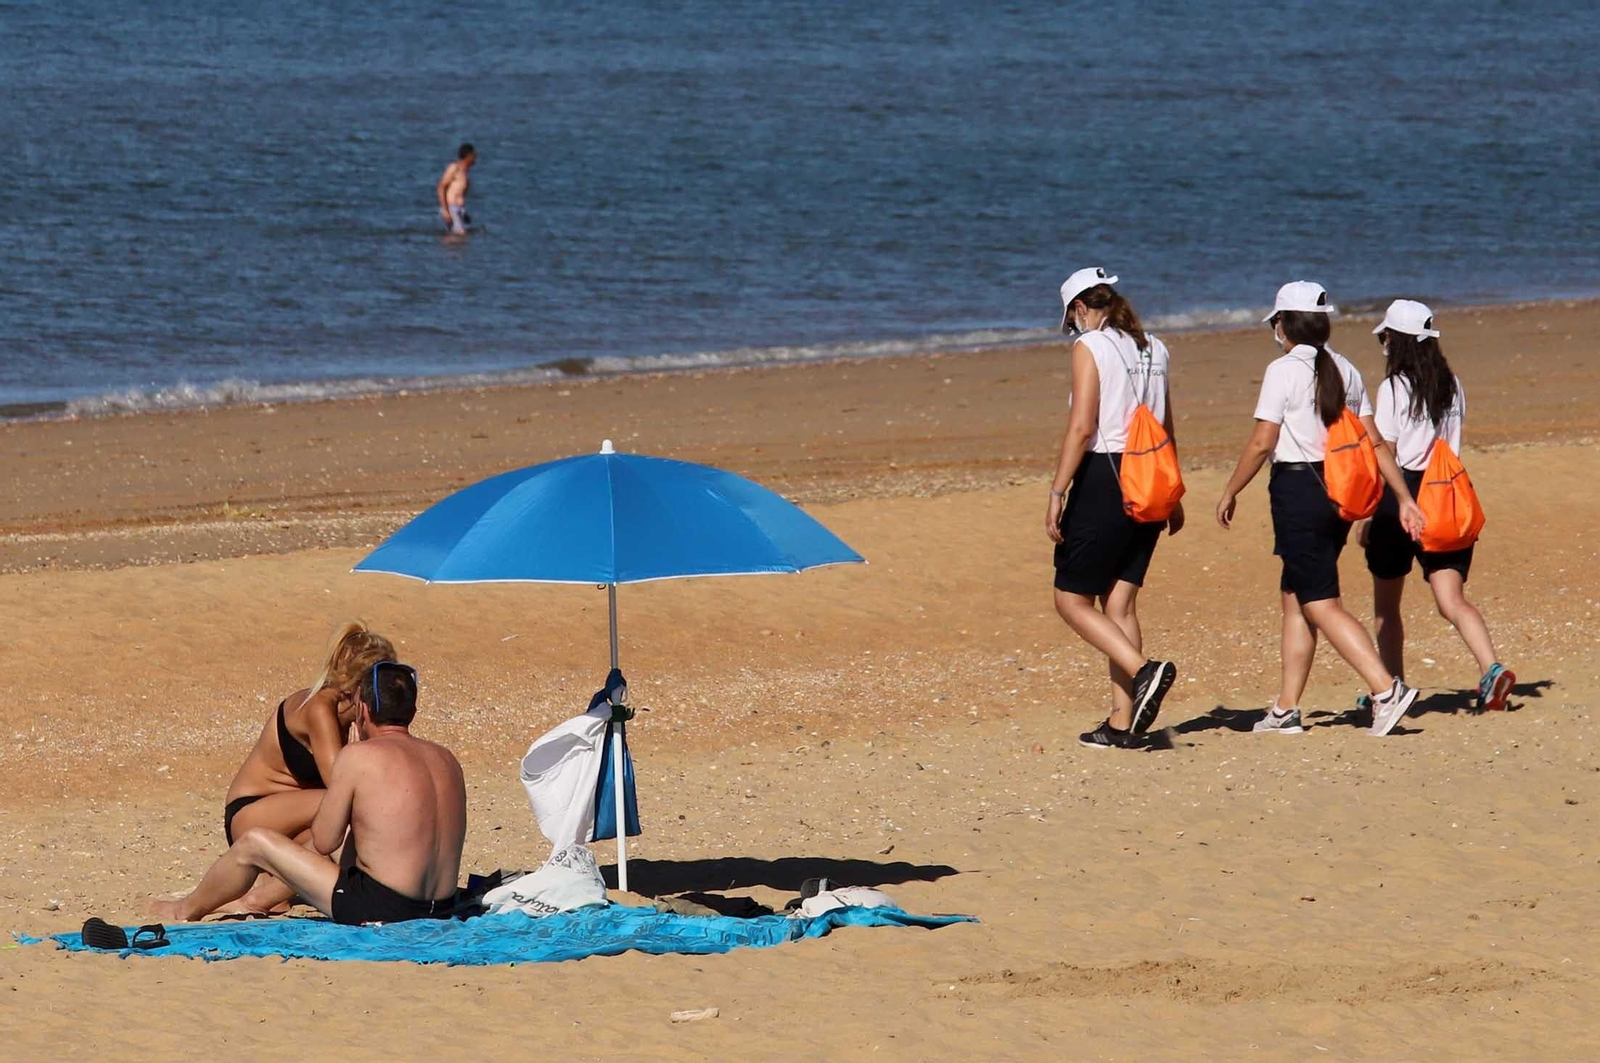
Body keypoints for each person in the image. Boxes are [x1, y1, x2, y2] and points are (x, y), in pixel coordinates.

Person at [1215, 281, 1424, 737]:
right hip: (1335, 494)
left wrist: (1231, 489)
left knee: (1321, 602)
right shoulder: (1346, 368)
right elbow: (1375, 443)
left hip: (1299, 491)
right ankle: (1286, 709)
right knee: (1295, 597)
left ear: (1284, 324)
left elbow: (1261, 443)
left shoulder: (1283, 371)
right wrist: (1404, 497)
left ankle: (1385, 689)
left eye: (1275, 321)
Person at [149, 661, 467, 925]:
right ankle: (255, 899)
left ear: (364, 711)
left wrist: (352, 766)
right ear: (412, 711)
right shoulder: (447, 759)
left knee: (253, 844)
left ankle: (184, 910)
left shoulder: (359, 757)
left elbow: (326, 840)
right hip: (440, 907)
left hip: (381, 908)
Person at [1046, 267, 1183, 750]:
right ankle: (1122, 722)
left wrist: (1058, 491)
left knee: (1071, 599)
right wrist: (1175, 493)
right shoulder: (1155, 346)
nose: (1072, 330)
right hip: (1153, 474)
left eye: (1070, 321)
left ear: (1080, 308)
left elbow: (1083, 427)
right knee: (1119, 602)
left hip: (1106, 473)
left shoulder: (1091, 346)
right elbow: (1166, 424)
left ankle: (1145, 670)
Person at [1358, 299, 1515, 712]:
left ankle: (1393, 690)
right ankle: (1492, 669)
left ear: (1397, 341)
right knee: (1452, 600)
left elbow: (1386, 453)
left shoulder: (1393, 388)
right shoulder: (1453, 385)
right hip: (1449, 494)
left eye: (1386, 336)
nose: (1384, 343)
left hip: (1405, 495)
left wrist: (1373, 512)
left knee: (1386, 607)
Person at [214, 621, 394, 913]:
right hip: (251, 811)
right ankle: (249, 899)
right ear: (361, 685)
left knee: (324, 856)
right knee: (346, 803)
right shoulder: (319, 709)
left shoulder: (348, 715)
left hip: (292, 817)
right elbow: (341, 785)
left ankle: (263, 897)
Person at [437, 143, 477, 234]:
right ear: (469, 156)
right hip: (451, 208)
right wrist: (445, 211)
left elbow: (460, 193)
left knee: (460, 237)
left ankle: (449, 246)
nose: (475, 159)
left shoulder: (465, 171)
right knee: (461, 235)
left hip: (460, 209)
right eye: (474, 156)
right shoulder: (454, 168)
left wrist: (464, 212)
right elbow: (441, 187)